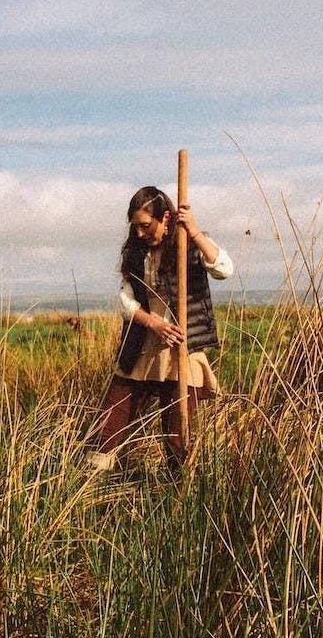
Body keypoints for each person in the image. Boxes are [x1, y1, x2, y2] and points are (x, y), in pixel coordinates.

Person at [87, 185, 233, 474]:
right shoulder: (135, 254)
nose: (140, 233)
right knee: (111, 421)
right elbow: (125, 300)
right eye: (135, 227)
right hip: (141, 345)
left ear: (165, 218)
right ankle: (92, 484)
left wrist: (193, 230)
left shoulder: (188, 244)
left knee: (178, 432)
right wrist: (154, 323)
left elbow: (223, 269)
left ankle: (177, 492)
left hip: (181, 348)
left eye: (145, 225)